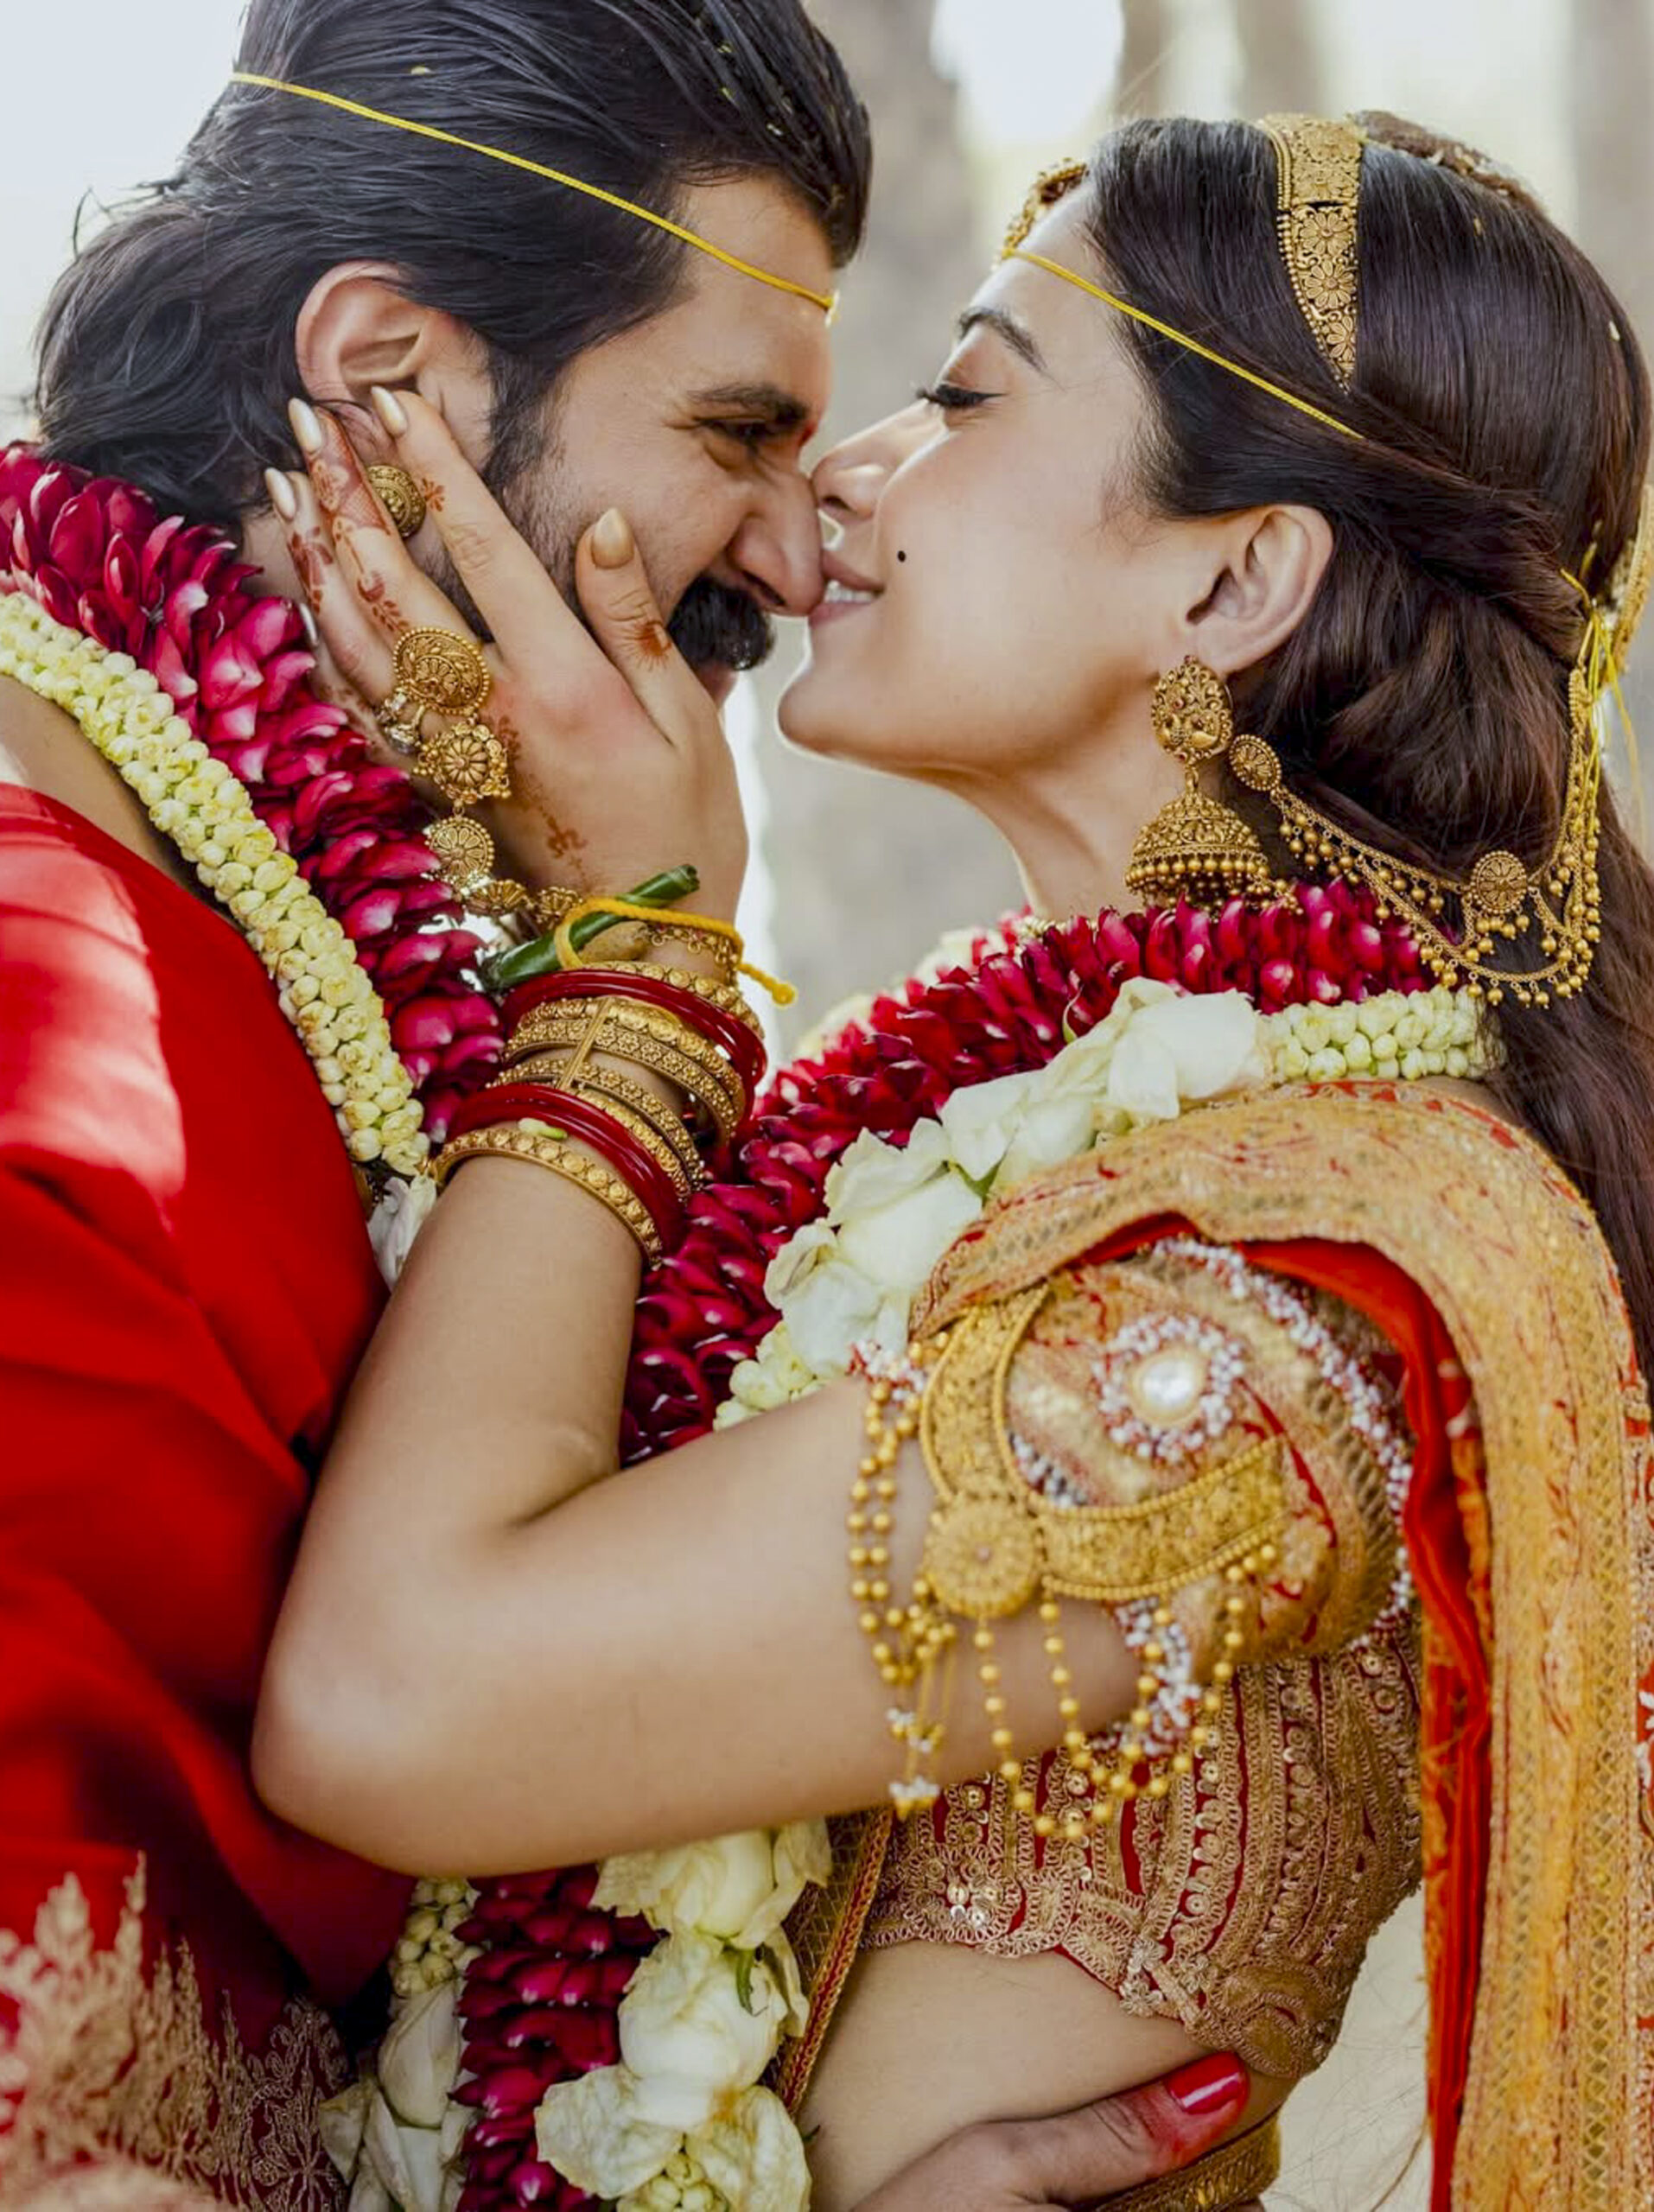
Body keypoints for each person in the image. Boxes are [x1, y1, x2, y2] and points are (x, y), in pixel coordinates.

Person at [250, 109, 1654, 2212]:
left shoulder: (1277, 1321)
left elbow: (387, 1701)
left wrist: (636, 959)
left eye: (968, 395)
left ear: (1232, 577)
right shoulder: (1065, 1137)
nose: (843, 470)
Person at [0, 2, 1241, 2204]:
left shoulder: (308, 931)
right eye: (736, 431)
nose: (791, 549)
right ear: (384, 373)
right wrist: (646, 956)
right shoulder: (55, 966)